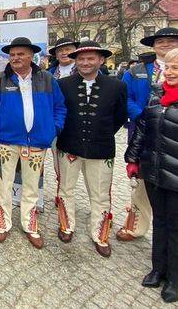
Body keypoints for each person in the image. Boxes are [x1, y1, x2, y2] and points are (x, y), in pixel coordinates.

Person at [0, 37, 66, 249]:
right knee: (4, 183)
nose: (15, 58)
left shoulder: (47, 79)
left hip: (37, 142)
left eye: (20, 54)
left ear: (31, 56)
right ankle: (3, 220)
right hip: (6, 142)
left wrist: (53, 129)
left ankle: (29, 222)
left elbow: (60, 107)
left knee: (31, 185)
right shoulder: (0, 80)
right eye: (12, 55)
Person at [125, 45, 178, 303]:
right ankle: (158, 269)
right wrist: (133, 159)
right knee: (160, 222)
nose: (169, 72)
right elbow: (142, 128)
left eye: (177, 68)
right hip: (154, 171)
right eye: (168, 67)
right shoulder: (158, 95)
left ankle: (174, 279)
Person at [54, 41, 127, 257]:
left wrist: (101, 133)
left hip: (101, 148)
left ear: (101, 60)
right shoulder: (63, 84)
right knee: (65, 189)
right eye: (81, 59)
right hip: (69, 146)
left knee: (100, 194)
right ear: (76, 61)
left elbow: (120, 117)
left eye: (90, 58)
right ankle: (66, 225)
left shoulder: (117, 86)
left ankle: (99, 233)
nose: (85, 63)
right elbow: (59, 112)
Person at [117, 27, 178, 242]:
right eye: (160, 41)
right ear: (154, 46)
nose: (165, 45)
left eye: (171, 41)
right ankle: (136, 226)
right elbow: (124, 96)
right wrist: (143, 115)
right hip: (144, 133)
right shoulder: (137, 71)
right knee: (141, 183)